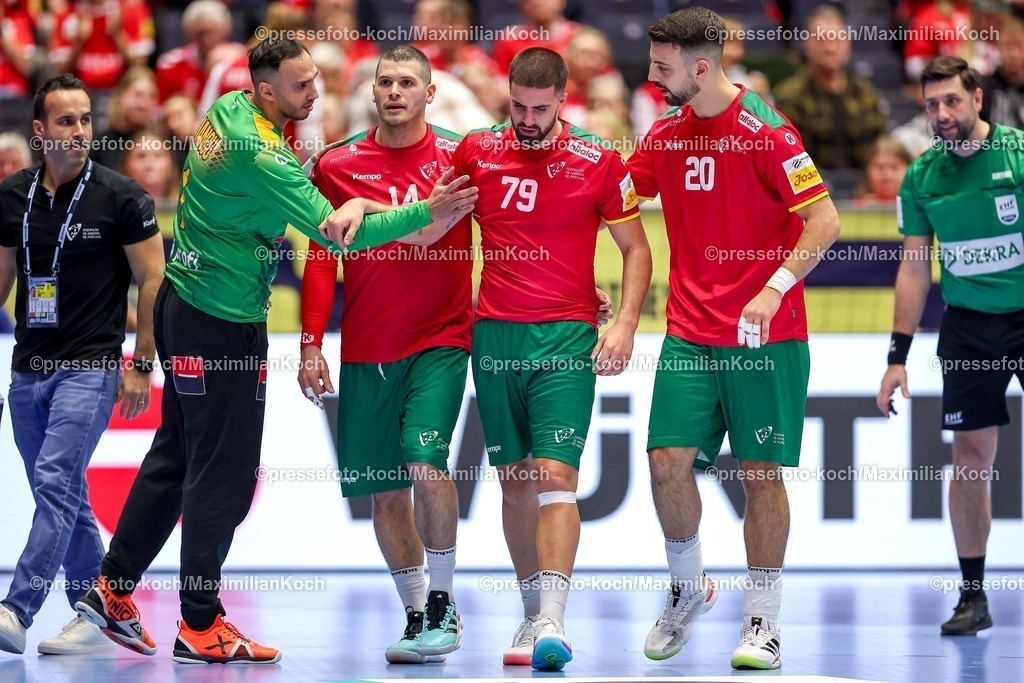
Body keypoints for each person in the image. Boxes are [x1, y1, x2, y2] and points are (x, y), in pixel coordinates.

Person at [71, 36, 475, 665]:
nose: (316, 93)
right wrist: (429, 209)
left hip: (186, 304)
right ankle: (200, 622)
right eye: (300, 85)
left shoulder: (230, 109)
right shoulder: (261, 151)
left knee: (176, 457)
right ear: (264, 89)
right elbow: (338, 234)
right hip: (219, 321)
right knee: (223, 478)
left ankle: (113, 585)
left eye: (315, 79)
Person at [627, 8, 840, 670]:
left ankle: (763, 620)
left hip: (762, 332)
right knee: (666, 461)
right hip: (691, 326)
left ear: (700, 66)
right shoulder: (664, 134)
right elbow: (615, 196)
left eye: (663, 67)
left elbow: (825, 219)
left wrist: (774, 286)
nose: (653, 77)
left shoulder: (767, 130)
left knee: (760, 474)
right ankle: (689, 590)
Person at [453, 46, 652, 671]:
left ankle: (553, 622)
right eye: (517, 106)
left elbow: (637, 249)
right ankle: (530, 603)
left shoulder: (598, 161)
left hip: (565, 338)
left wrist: (622, 323)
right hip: (495, 337)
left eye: (539, 109)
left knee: (555, 477)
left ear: (564, 100)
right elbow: (435, 226)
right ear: (506, 96)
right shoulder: (476, 151)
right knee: (514, 481)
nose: (527, 119)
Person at [299, 44, 475, 665]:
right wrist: (311, 344)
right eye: (385, 81)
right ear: (373, 93)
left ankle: (444, 604)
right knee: (384, 493)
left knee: (424, 461)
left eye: (407, 81)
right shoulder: (339, 163)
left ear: (430, 93)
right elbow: (322, 258)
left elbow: (486, 231)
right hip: (368, 345)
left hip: (443, 337)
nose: (395, 90)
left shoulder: (463, 153)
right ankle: (415, 612)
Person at [0, 73, 165, 656]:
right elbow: (1, 282)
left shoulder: (121, 197)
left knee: (54, 482)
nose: (78, 132)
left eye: (86, 120)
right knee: (64, 493)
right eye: (65, 122)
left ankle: (16, 608)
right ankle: (95, 613)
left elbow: (152, 278)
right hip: (27, 368)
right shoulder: (13, 195)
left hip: (90, 366)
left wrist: (141, 363)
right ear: (39, 130)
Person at [876, 55, 1024, 637]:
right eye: (931, 103)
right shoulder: (922, 176)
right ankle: (972, 597)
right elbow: (914, 269)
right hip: (969, 327)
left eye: (952, 101)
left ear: (978, 100)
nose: (941, 114)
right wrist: (896, 356)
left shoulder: (1016, 155)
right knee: (969, 462)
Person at [772, 4, 887, 169]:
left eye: (836, 39)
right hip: (810, 188)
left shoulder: (867, 95)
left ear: (848, 43)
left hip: (862, 189)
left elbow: (879, 151)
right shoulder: (788, 98)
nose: (830, 48)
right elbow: (786, 159)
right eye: (821, 40)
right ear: (807, 44)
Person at [855, 136, 912, 205]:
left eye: (894, 167)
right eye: (880, 167)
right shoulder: (856, 208)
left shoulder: (922, 207)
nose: (887, 175)